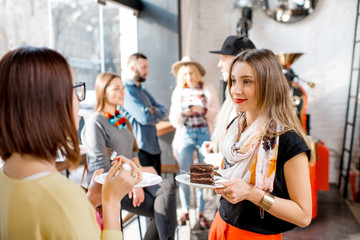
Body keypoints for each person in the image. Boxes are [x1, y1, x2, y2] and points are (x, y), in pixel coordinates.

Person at [0, 47, 140, 239]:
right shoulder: (64, 199)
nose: (79, 101)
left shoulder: (6, 178)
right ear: (51, 104)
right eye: (74, 89)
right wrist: (112, 202)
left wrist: (90, 200)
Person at [208, 49, 314, 239]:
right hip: (220, 226)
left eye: (246, 81)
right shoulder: (236, 127)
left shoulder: (288, 141)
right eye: (233, 81)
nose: (236, 90)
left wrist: (252, 194)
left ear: (268, 85)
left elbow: (304, 215)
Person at [81, 72, 177, 240]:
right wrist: (133, 183)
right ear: (103, 91)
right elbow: (101, 159)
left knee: (167, 187)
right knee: (162, 208)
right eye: (116, 88)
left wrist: (138, 174)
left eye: (123, 88)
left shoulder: (122, 120)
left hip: (130, 177)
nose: (122, 92)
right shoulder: (95, 121)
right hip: (109, 185)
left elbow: (133, 153)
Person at [169, 56, 220, 229]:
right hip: (185, 134)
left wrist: (202, 110)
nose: (188, 77)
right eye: (185, 74)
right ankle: (184, 210)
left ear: (196, 73)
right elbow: (174, 119)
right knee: (183, 173)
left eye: (191, 73)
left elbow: (216, 114)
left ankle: (201, 213)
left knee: (202, 174)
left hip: (204, 133)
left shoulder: (207, 89)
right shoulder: (178, 91)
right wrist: (185, 113)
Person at [202, 35, 256, 157]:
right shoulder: (229, 91)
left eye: (223, 59)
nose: (219, 64)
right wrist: (214, 145)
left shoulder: (248, 98)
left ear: (239, 60)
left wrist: (222, 160)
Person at [121, 53, 167, 175]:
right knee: (146, 189)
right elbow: (145, 117)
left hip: (153, 147)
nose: (148, 71)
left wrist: (152, 110)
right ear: (132, 68)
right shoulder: (125, 90)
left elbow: (163, 111)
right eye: (144, 67)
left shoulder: (142, 90)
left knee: (157, 187)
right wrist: (151, 112)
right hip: (140, 149)